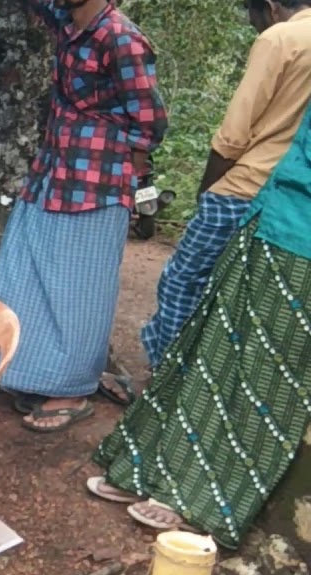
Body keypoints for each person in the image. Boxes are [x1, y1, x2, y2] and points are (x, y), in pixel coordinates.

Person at [85, 99, 311, 549]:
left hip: (299, 246)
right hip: (270, 217)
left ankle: (203, 500)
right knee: (205, 355)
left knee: (263, 386)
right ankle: (151, 466)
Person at [0, 0, 167, 432]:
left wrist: (129, 170)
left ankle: (72, 389)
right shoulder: (70, 23)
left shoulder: (120, 37)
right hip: (53, 171)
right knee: (24, 271)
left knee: (80, 286)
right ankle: (37, 373)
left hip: (96, 180)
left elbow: (150, 120)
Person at [119, 0, 311, 396]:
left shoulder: (281, 39)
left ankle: (165, 383)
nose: (251, 23)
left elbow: (235, 132)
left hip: (243, 187)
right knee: (244, 296)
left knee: (183, 279)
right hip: (291, 200)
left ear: (271, 7)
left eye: (251, 14)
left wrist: (207, 189)